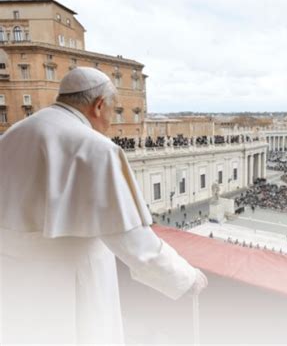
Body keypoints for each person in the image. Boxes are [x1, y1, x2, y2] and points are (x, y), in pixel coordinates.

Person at [0, 67, 208, 344]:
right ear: (98, 105)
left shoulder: (12, 135)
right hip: (71, 284)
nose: (111, 120)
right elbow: (133, 239)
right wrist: (184, 278)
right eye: (113, 110)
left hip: (13, 280)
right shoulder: (95, 147)